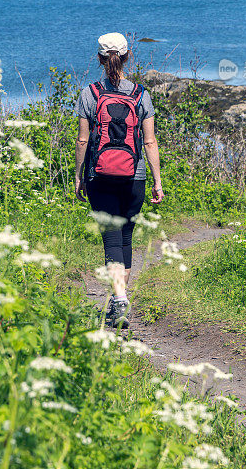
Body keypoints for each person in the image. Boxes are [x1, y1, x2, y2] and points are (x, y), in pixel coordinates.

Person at [75, 32, 164, 328]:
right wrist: (157, 181)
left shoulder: (90, 93)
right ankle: (120, 298)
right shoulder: (140, 94)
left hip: (99, 175)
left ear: (100, 58)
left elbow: (82, 140)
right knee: (125, 238)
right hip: (134, 176)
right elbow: (149, 143)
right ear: (127, 57)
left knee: (110, 239)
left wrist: (78, 177)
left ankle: (119, 298)